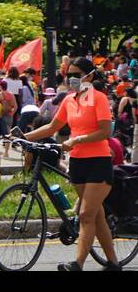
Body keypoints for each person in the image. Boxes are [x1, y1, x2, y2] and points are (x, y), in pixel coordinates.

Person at [22, 57, 122, 271]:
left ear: (89, 76)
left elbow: (105, 132)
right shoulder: (68, 100)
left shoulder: (99, 98)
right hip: (78, 162)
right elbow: (51, 127)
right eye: (69, 74)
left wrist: (77, 140)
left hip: (99, 162)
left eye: (77, 74)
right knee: (96, 215)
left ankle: (77, 264)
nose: (72, 78)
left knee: (86, 215)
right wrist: (23, 137)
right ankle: (113, 263)